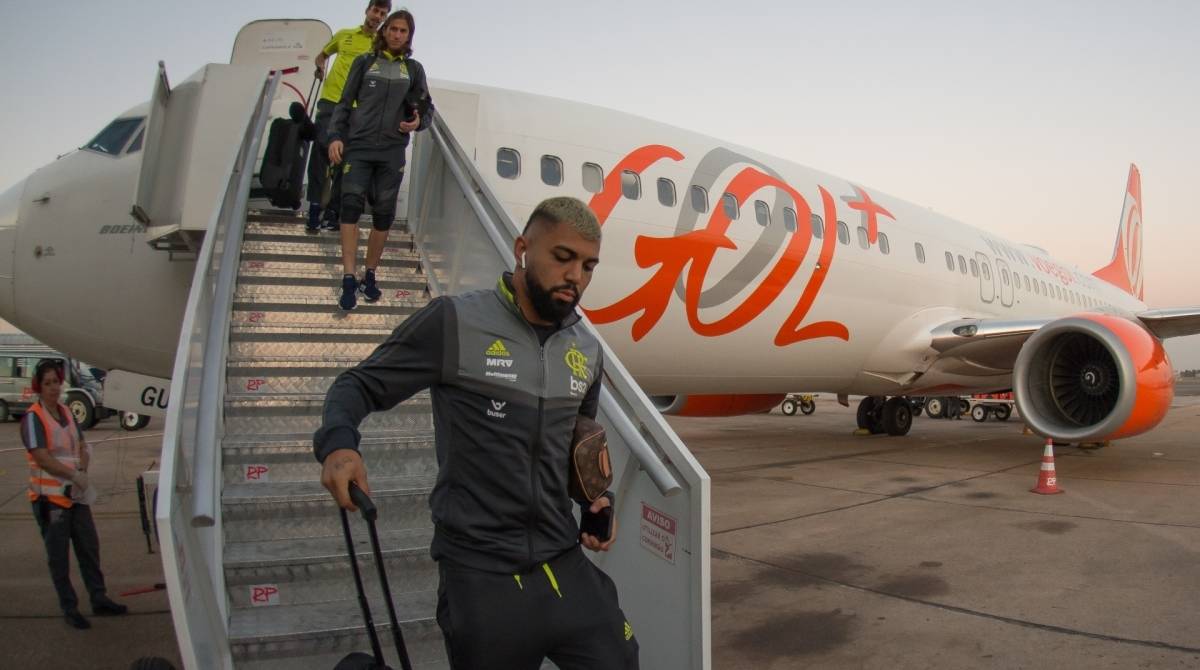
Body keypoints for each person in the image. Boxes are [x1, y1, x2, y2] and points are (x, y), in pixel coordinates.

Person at [314, 197, 640, 669]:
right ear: (523, 249)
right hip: (481, 571)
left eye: (588, 266)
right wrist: (339, 445)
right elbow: (358, 384)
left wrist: (592, 499)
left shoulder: (586, 348)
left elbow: (576, 439)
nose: (576, 277)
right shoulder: (454, 321)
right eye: (562, 258)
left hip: (562, 560)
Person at [326, 9, 433, 310]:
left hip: (391, 150)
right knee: (349, 208)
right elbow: (344, 103)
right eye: (394, 29)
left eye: (404, 31)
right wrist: (336, 136)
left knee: (383, 215)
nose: (397, 34)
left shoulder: (413, 69)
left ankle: (369, 275)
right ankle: (349, 277)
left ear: (409, 37)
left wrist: (418, 122)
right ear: (384, 31)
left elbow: (426, 107)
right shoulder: (364, 62)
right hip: (358, 147)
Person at [22, 359, 127, 629]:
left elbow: (80, 443)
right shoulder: (34, 417)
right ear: (38, 387)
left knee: (89, 548)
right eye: (47, 384)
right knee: (59, 557)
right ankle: (69, 607)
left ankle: (99, 597)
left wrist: (82, 469)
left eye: (56, 382)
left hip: (76, 496)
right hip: (51, 500)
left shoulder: (67, 412)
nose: (53, 388)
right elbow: (41, 456)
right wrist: (72, 475)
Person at [304, 0, 392, 233]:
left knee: (346, 159)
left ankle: (333, 212)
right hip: (331, 100)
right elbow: (321, 56)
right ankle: (314, 207)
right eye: (375, 10)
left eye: (382, 14)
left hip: (357, 107)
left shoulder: (380, 45)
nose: (377, 16)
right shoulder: (344, 35)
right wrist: (320, 67)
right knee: (322, 151)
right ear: (367, 10)